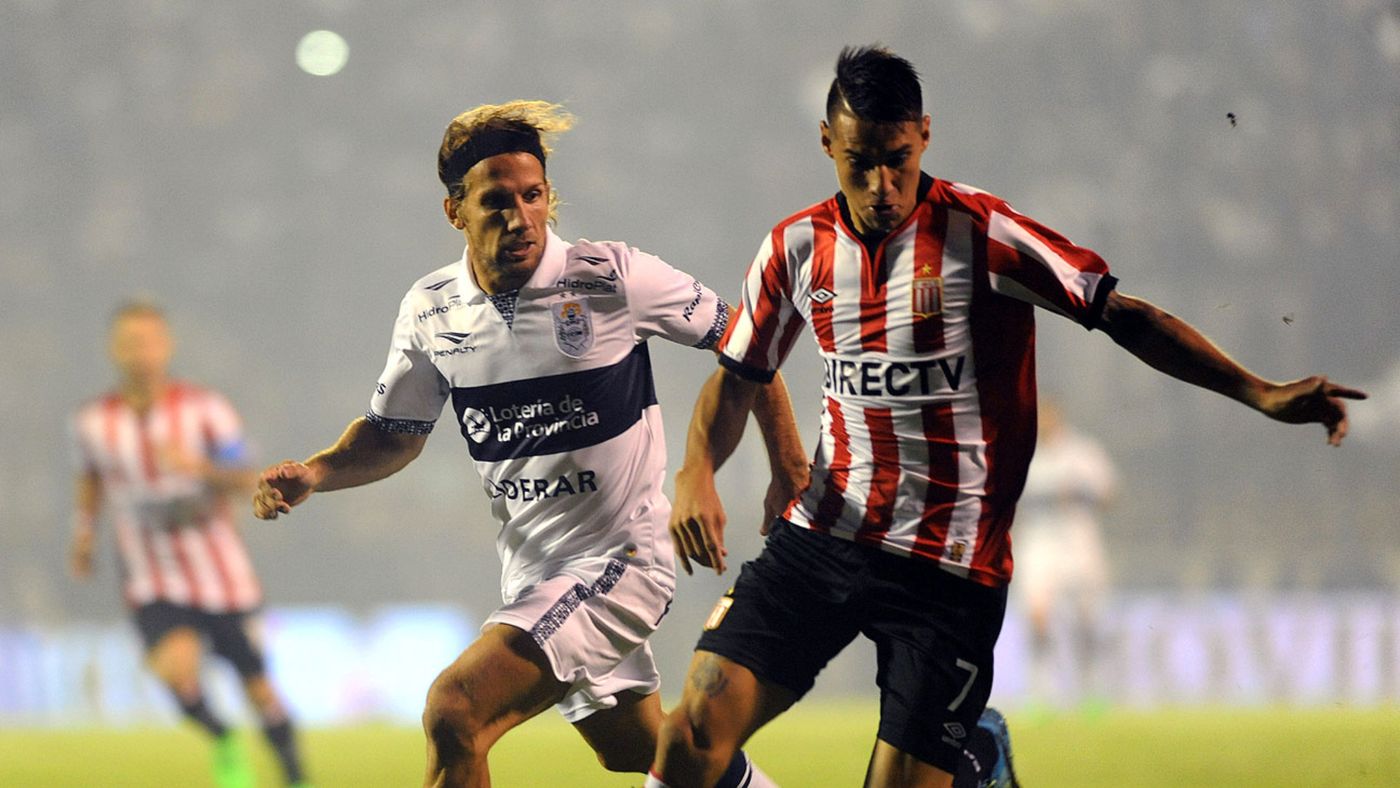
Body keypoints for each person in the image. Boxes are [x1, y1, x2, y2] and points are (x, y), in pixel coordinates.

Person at [649, 46, 1366, 788]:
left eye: (898, 158)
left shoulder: (981, 233)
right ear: (827, 144)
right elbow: (737, 378)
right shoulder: (795, 247)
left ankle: (977, 760)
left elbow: (1123, 316)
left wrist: (1260, 392)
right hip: (826, 534)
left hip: (948, 568)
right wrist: (696, 471)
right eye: (860, 162)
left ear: (925, 134)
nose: (883, 184)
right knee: (689, 739)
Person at [252, 101, 806, 788]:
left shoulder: (611, 277)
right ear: (454, 211)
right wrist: (315, 472)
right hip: (534, 576)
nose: (520, 217)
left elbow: (751, 341)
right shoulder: (431, 309)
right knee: (648, 754)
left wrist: (788, 464)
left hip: (620, 563)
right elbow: (395, 436)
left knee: (455, 710)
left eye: (533, 195)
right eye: (495, 202)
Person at [69, 302, 309, 788]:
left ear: (166, 346)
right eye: (130, 343)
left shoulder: (206, 410)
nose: (140, 353)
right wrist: (85, 532)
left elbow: (246, 478)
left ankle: (293, 775)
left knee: (259, 690)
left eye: (149, 341)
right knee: (174, 672)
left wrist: (197, 467)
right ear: (115, 350)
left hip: (219, 573)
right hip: (150, 573)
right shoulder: (94, 422)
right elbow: (91, 478)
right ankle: (222, 737)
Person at [1014, 400, 1117, 710]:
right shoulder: (1023, 453)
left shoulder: (1082, 452)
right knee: (1037, 618)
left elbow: (1110, 494)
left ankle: (1090, 690)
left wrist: (1077, 494)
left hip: (1078, 542)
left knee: (1085, 620)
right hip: (1038, 544)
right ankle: (1040, 691)